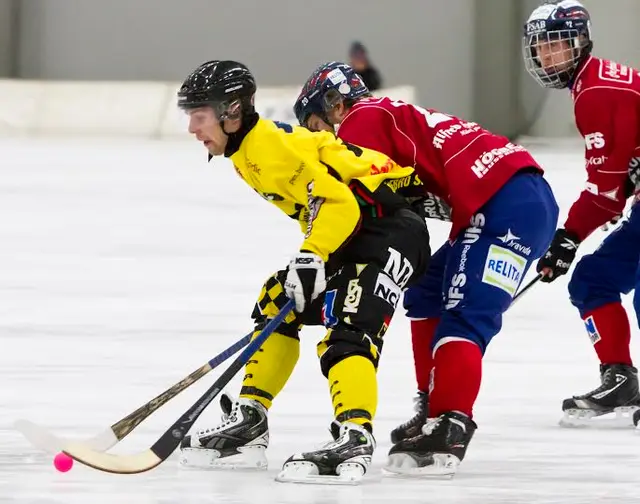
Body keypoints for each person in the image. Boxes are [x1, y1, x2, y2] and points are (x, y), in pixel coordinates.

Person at [294, 61, 559, 476]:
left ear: (334, 104)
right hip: (511, 199)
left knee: (465, 315)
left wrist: (323, 262)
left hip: (505, 204)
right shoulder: (384, 114)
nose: (320, 139)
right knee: (425, 293)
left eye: (316, 125)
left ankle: (450, 424)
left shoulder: (360, 120)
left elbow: (357, 207)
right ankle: (431, 408)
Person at [175, 60, 430, 484]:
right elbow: (319, 204)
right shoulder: (246, 153)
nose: (191, 129)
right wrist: (311, 261)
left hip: (390, 226)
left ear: (231, 111)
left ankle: (355, 436)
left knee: (350, 322)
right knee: (279, 299)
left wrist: (312, 255)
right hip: (360, 229)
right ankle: (251, 419)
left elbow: (338, 203)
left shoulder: (266, 148)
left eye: (198, 116)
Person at [523, 0, 640, 428]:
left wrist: (567, 237)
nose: (548, 56)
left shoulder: (596, 91)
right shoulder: (596, 82)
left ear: (581, 43)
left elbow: (605, 193)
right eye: (541, 47)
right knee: (595, 280)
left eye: (557, 45)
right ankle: (621, 379)